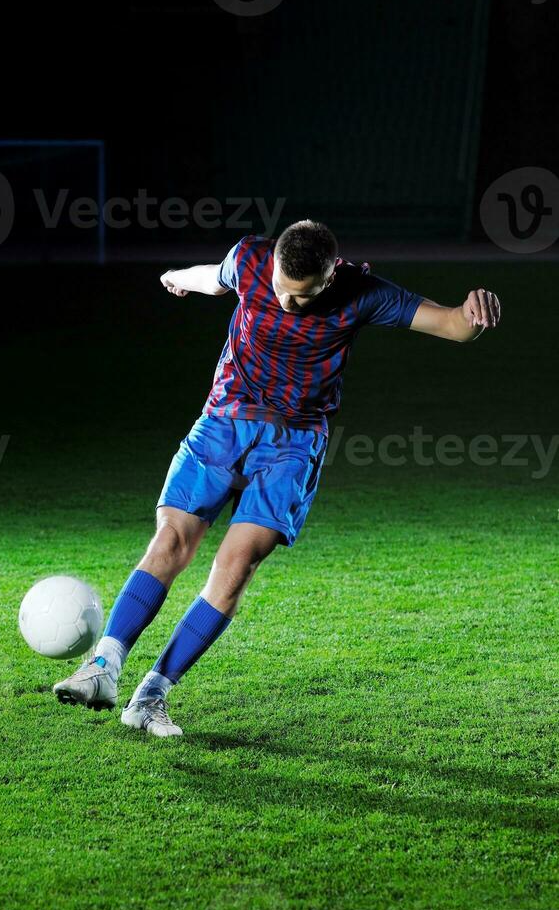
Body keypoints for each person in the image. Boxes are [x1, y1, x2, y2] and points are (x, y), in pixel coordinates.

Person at [53, 220, 500, 736]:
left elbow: (452, 325)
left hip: (293, 444)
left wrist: (474, 313)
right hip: (224, 421)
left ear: (330, 278)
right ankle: (103, 669)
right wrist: (179, 275)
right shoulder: (250, 260)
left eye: (302, 297)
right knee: (171, 541)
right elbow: (217, 277)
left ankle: (151, 695)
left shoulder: (363, 293)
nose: (288, 303)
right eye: (282, 292)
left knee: (236, 565)